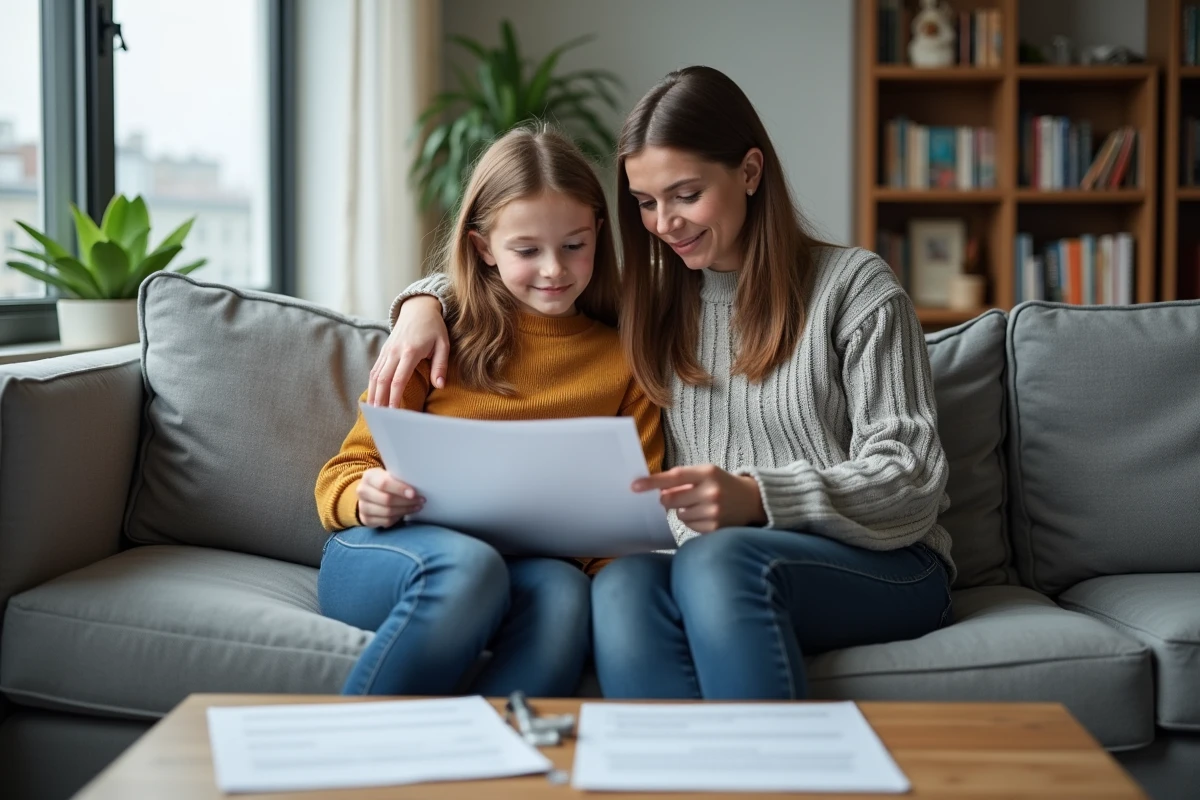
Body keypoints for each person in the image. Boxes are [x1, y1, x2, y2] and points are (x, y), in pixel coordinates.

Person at [371, 66, 954, 700]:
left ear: (750, 172)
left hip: (884, 561)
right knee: (622, 585)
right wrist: (423, 303)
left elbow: (913, 477)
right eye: (646, 203)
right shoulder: (653, 305)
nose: (665, 223)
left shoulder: (854, 288)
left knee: (719, 559)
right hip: (712, 565)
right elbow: (530, 285)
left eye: (685, 194)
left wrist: (760, 498)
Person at [314, 126, 663, 698]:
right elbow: (342, 472)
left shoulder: (624, 362)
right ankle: (355, 764)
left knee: (564, 596)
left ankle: (495, 768)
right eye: (527, 251)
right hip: (389, 554)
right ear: (483, 249)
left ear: (599, 234)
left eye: (574, 245)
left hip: (528, 571)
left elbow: (626, 519)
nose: (554, 269)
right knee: (470, 568)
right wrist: (366, 494)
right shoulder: (438, 339)